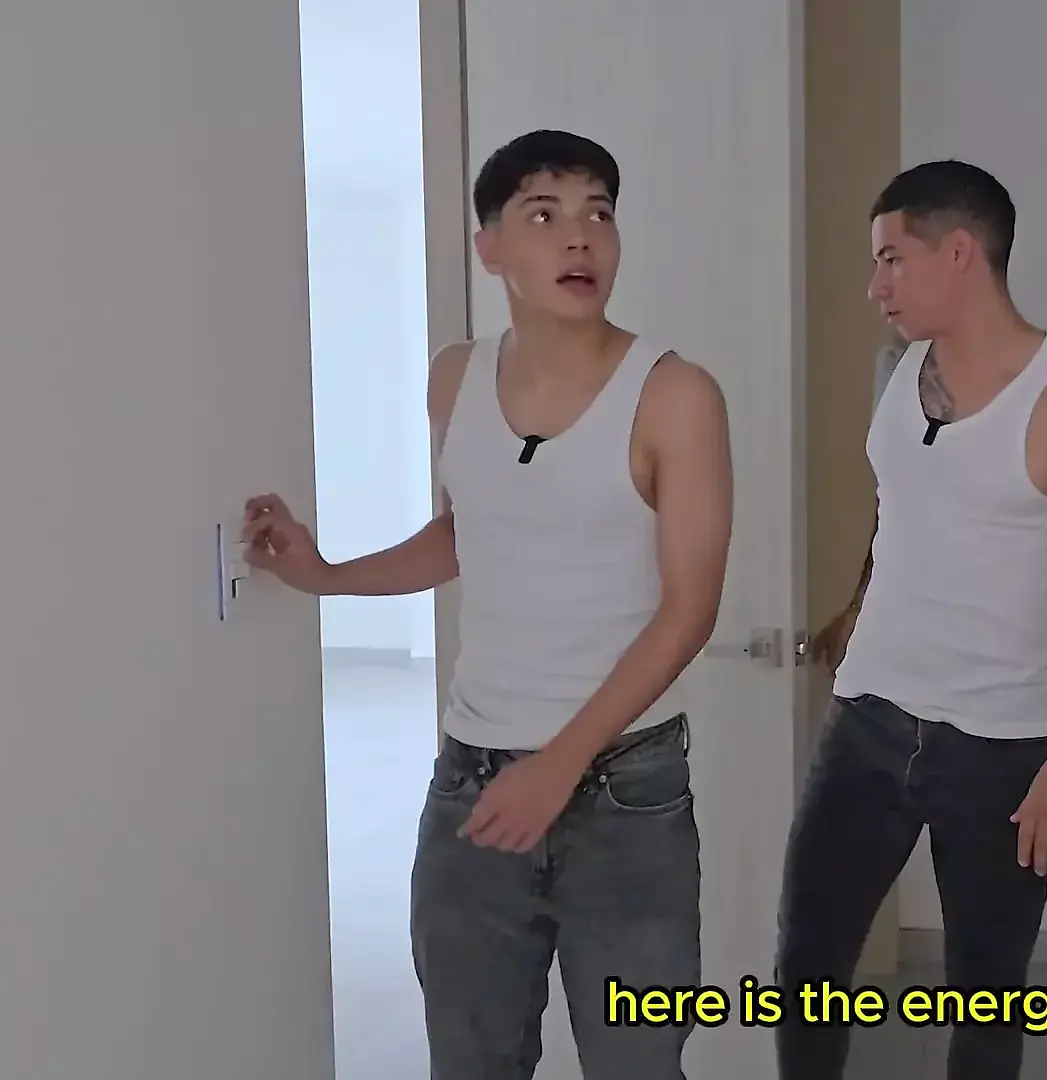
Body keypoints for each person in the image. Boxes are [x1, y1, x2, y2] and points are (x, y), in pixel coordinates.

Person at [243, 129, 733, 1079]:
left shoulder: (674, 395)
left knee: (637, 1063)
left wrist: (560, 764)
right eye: (544, 216)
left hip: (624, 792)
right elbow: (472, 532)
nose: (579, 238)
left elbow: (691, 610)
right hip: (471, 782)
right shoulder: (456, 376)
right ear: (492, 249)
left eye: (598, 214)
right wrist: (325, 574)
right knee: (471, 1059)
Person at [778, 160, 1047, 1079]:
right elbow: (902, 508)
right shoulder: (897, 370)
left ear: (958, 252)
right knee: (806, 969)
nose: (874, 285)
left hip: (999, 749)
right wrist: (858, 606)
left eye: (890, 259)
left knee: (986, 1002)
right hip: (866, 723)